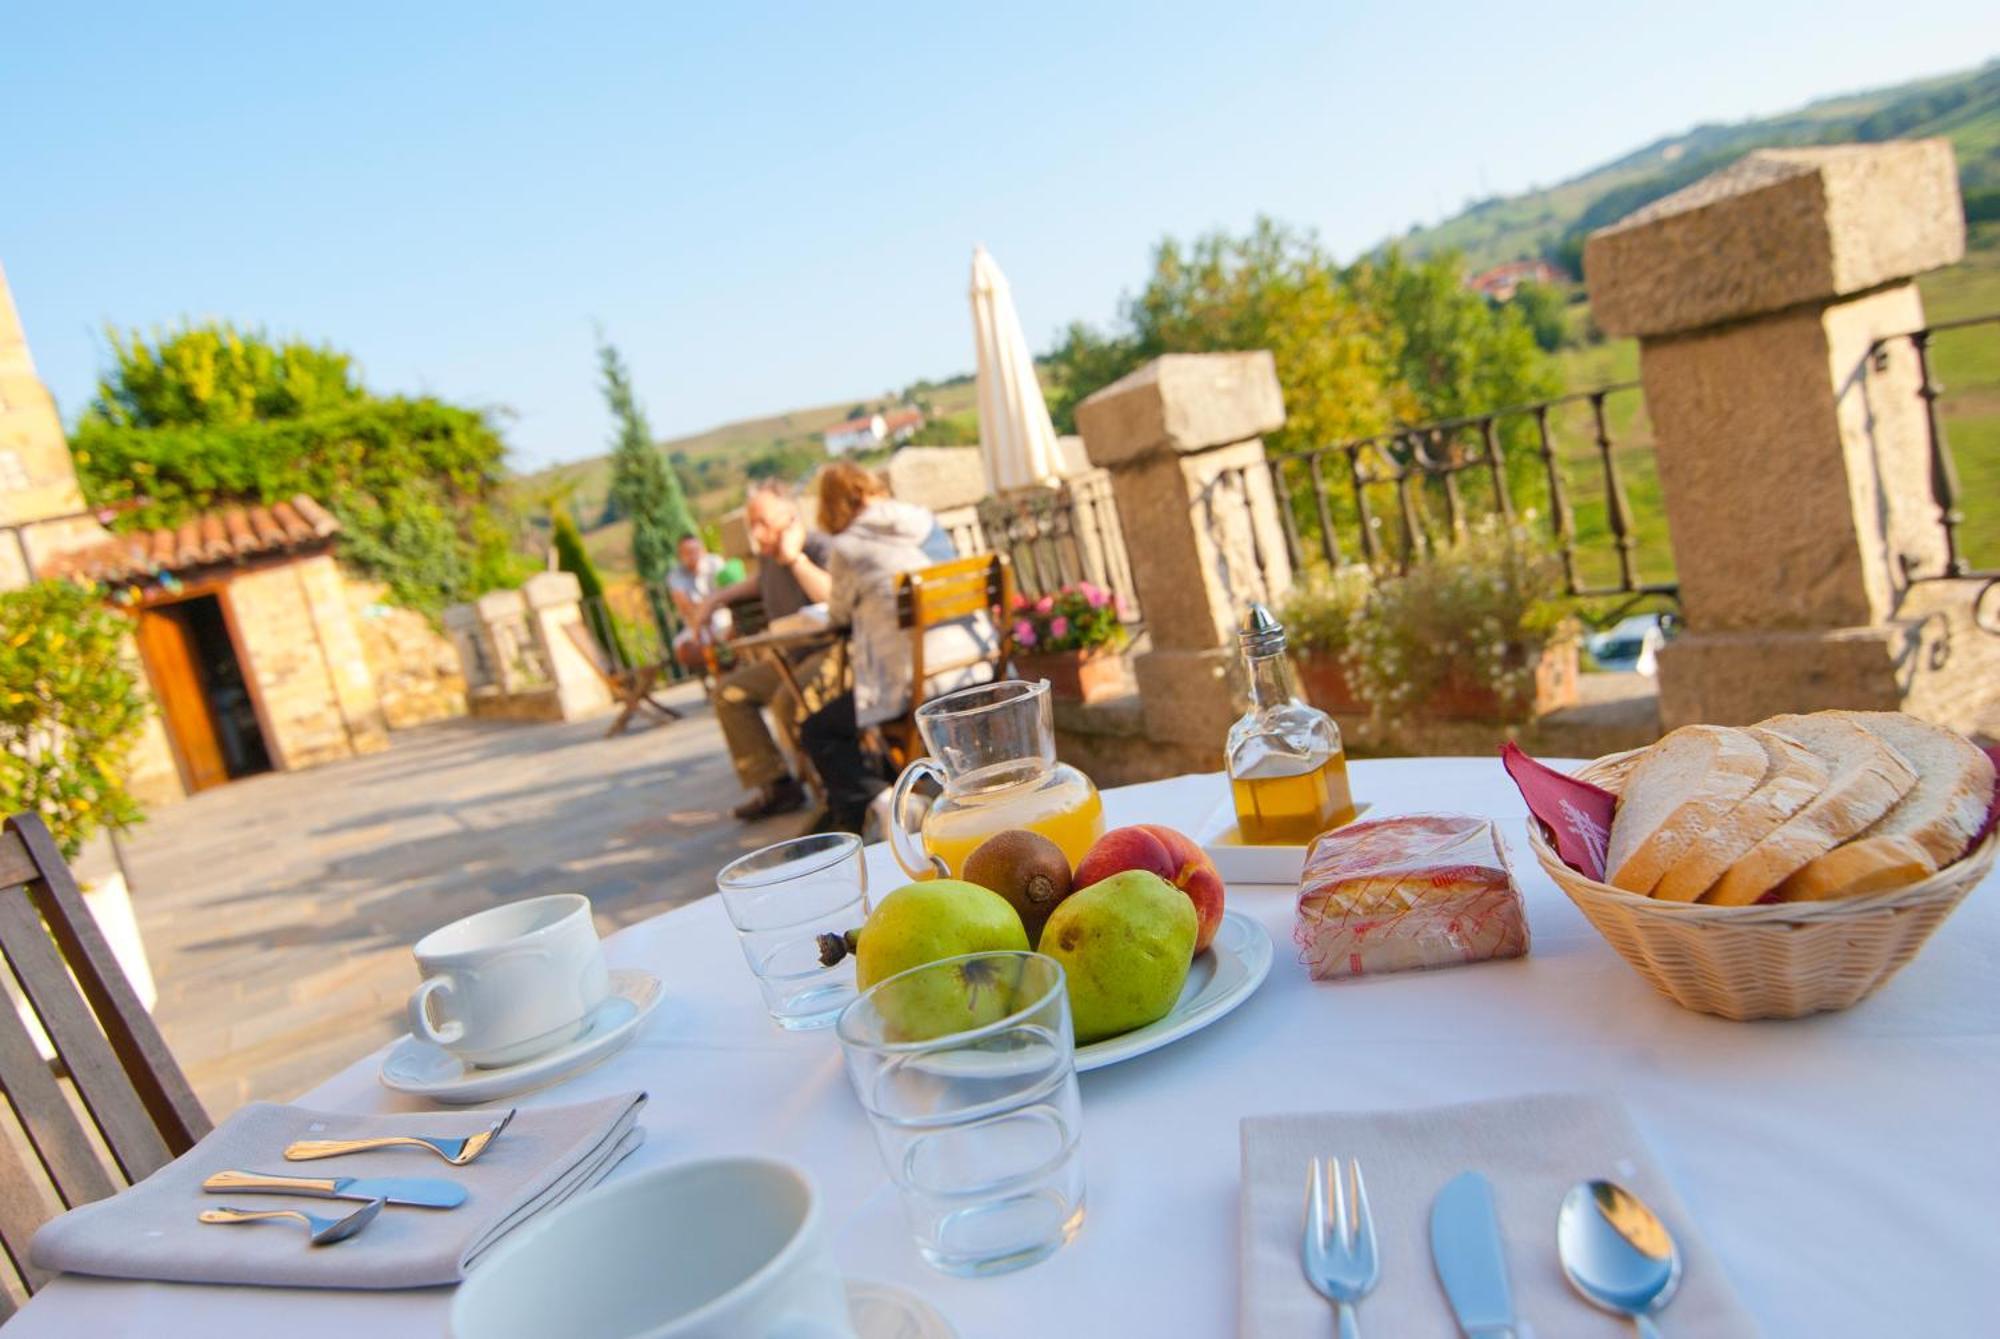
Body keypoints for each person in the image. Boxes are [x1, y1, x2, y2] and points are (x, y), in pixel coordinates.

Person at [800, 462, 995, 834]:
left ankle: (887, 802)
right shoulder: (926, 523)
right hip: (977, 663)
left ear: (833, 506)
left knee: (818, 731)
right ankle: (900, 797)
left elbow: (838, 612)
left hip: (921, 684)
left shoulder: (847, 547)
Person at [691, 484, 835, 821]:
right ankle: (777, 784)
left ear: (790, 518)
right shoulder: (768, 559)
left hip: (830, 654)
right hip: (786, 657)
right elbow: (759, 583)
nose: (756, 533)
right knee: (730, 693)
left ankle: (831, 788)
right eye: (751, 524)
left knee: (789, 700)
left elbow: (834, 595)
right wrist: (717, 598)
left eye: (763, 522)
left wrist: (795, 559)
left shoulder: (817, 546)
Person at [665, 534, 730, 673]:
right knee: (683, 648)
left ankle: (725, 666)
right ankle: (717, 669)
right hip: (695, 622)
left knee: (722, 630)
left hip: (720, 616)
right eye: (687, 552)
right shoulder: (676, 575)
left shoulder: (715, 563)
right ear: (680, 555)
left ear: (703, 550)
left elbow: (725, 593)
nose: (693, 556)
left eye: (696, 550)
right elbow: (684, 606)